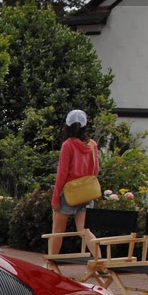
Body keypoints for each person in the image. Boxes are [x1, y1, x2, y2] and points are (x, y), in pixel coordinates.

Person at [49, 109, 100, 255]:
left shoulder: (68, 145)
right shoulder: (92, 145)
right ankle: (99, 260)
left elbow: (62, 173)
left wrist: (55, 197)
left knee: (57, 231)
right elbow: (96, 169)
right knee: (84, 231)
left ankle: (52, 264)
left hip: (69, 193)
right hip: (87, 194)